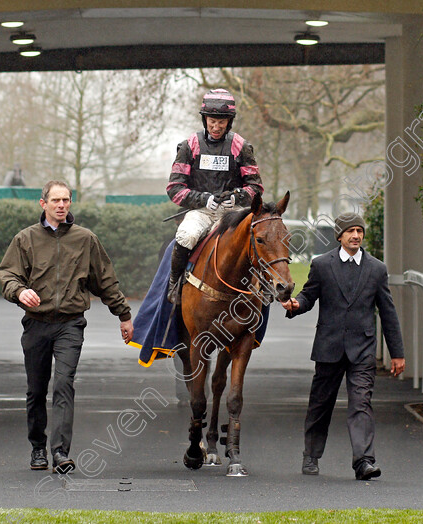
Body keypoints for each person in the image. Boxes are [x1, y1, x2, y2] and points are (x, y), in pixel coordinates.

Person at [0, 180, 134, 473]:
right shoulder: (25, 239)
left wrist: (123, 315)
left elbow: (105, 281)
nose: (62, 205)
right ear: (43, 203)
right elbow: (8, 275)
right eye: (56, 200)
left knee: (63, 384)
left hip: (70, 325)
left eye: (67, 200)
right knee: (36, 390)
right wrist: (20, 291)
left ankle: (60, 452)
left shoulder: (85, 239)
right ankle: (38, 448)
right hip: (36, 324)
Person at [281, 213, 405, 480]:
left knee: (361, 404)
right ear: (339, 235)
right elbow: (308, 296)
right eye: (350, 231)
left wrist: (397, 353)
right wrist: (295, 306)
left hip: (362, 350)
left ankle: (364, 461)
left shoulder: (376, 269)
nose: (356, 236)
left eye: (359, 231)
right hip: (329, 347)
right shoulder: (322, 265)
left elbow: (388, 313)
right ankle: (311, 455)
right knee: (320, 405)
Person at [165, 88, 264, 303]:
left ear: (230, 121)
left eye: (222, 122)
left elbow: (256, 188)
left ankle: (263, 289)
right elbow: (174, 188)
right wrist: (203, 199)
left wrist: (237, 197)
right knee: (186, 236)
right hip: (201, 212)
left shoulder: (242, 147)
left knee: (258, 241)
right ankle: (175, 285)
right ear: (204, 119)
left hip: (234, 213)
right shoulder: (188, 146)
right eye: (212, 121)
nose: (216, 127)